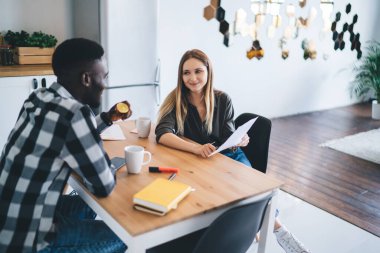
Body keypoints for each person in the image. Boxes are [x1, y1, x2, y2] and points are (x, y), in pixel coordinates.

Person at [155, 49, 311, 253]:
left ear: (208, 72)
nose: (192, 78)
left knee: (255, 193)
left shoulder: (222, 99)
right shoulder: (177, 99)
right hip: (200, 160)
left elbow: (228, 138)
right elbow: (162, 133)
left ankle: (279, 232)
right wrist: (196, 148)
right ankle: (264, 229)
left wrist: (240, 140)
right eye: (186, 73)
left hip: (229, 156)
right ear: (181, 75)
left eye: (198, 71)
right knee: (235, 194)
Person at [0, 38, 131, 253]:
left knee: (88, 207)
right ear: (86, 78)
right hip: (27, 240)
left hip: (9, 219)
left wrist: (107, 118)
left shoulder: (38, 97)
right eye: (104, 76)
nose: (105, 84)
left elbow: (63, 135)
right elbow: (104, 185)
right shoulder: (75, 113)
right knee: (124, 233)